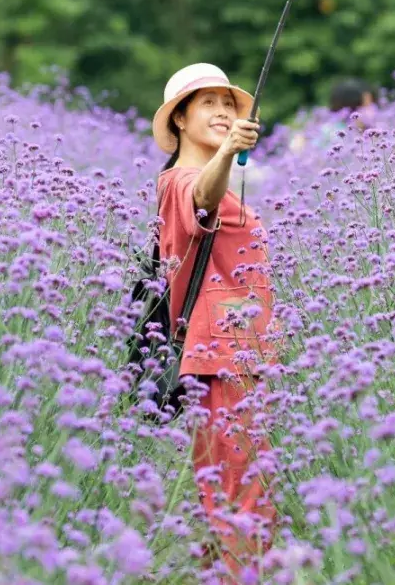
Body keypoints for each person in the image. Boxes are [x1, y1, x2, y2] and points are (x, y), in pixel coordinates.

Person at [151, 62, 279, 582]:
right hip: (221, 356)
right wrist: (227, 152)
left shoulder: (220, 185)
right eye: (208, 104)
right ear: (179, 119)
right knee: (242, 493)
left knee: (228, 491)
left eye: (230, 104)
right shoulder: (178, 183)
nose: (224, 112)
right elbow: (199, 202)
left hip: (241, 354)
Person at [289, 77, 376, 154]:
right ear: (352, 107)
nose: (372, 109)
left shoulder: (371, 131)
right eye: (367, 105)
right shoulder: (332, 133)